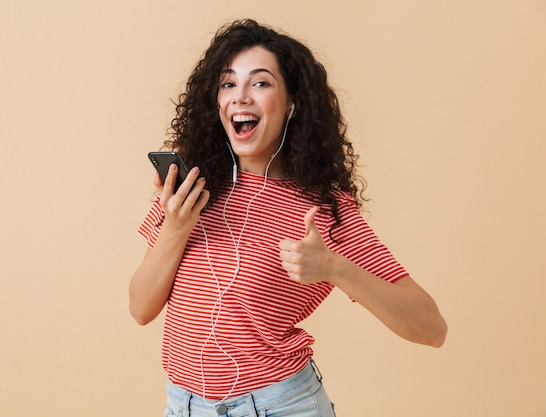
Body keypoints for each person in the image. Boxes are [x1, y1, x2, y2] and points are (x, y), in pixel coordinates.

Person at [129, 19, 447, 417]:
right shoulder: (191, 191)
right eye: (228, 84)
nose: (240, 96)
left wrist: (334, 267)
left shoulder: (323, 209)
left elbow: (432, 328)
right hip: (184, 406)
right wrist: (175, 229)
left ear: (292, 103)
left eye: (260, 83)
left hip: (279, 407)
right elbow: (141, 309)